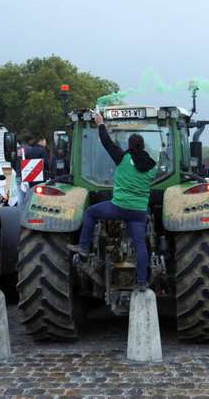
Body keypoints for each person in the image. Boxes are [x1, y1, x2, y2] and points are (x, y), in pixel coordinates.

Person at [67, 112, 157, 291]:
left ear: (130, 146)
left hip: (118, 207)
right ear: (143, 146)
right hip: (139, 212)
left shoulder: (122, 158)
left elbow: (107, 142)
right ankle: (141, 282)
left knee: (91, 212)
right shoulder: (152, 167)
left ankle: (84, 248)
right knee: (140, 245)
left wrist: (100, 124)